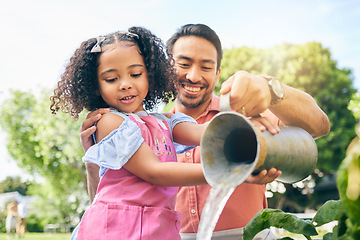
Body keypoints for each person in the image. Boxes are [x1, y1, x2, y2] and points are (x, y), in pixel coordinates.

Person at [80, 24, 330, 239]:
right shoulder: (124, 125)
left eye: (206, 67)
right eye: (184, 64)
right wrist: (94, 157)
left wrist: (270, 89)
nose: (193, 75)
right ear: (167, 68)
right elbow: (112, 194)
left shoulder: (243, 111)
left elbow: (319, 126)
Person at [50, 26, 233, 239]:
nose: (126, 84)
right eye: (111, 79)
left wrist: (249, 124)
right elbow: (154, 171)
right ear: (96, 86)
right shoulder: (109, 123)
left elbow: (207, 133)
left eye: (135, 74)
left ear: (150, 75)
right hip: (116, 230)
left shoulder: (165, 122)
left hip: (155, 228)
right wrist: (223, 171)